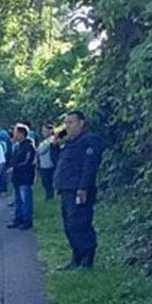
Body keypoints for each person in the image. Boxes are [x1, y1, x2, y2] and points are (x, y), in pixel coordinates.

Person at [54, 111, 104, 270]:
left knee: (80, 224)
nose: (67, 126)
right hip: (66, 189)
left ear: (81, 123)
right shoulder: (70, 142)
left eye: (71, 122)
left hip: (79, 190)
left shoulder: (89, 140)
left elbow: (89, 167)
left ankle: (87, 259)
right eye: (66, 123)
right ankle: (76, 257)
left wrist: (83, 187)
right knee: (69, 225)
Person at [8, 125, 37, 230]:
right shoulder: (17, 146)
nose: (14, 135)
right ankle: (18, 219)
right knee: (18, 200)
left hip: (25, 177)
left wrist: (14, 168)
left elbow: (27, 162)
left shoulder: (29, 146)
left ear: (21, 134)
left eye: (16, 132)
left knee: (26, 200)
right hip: (17, 178)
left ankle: (27, 221)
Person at [36, 124, 58, 200]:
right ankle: (48, 197)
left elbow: (40, 150)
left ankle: (50, 197)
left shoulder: (51, 140)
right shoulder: (45, 141)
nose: (43, 132)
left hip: (49, 165)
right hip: (44, 165)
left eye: (45, 131)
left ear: (50, 131)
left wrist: (38, 149)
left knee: (48, 183)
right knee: (45, 183)